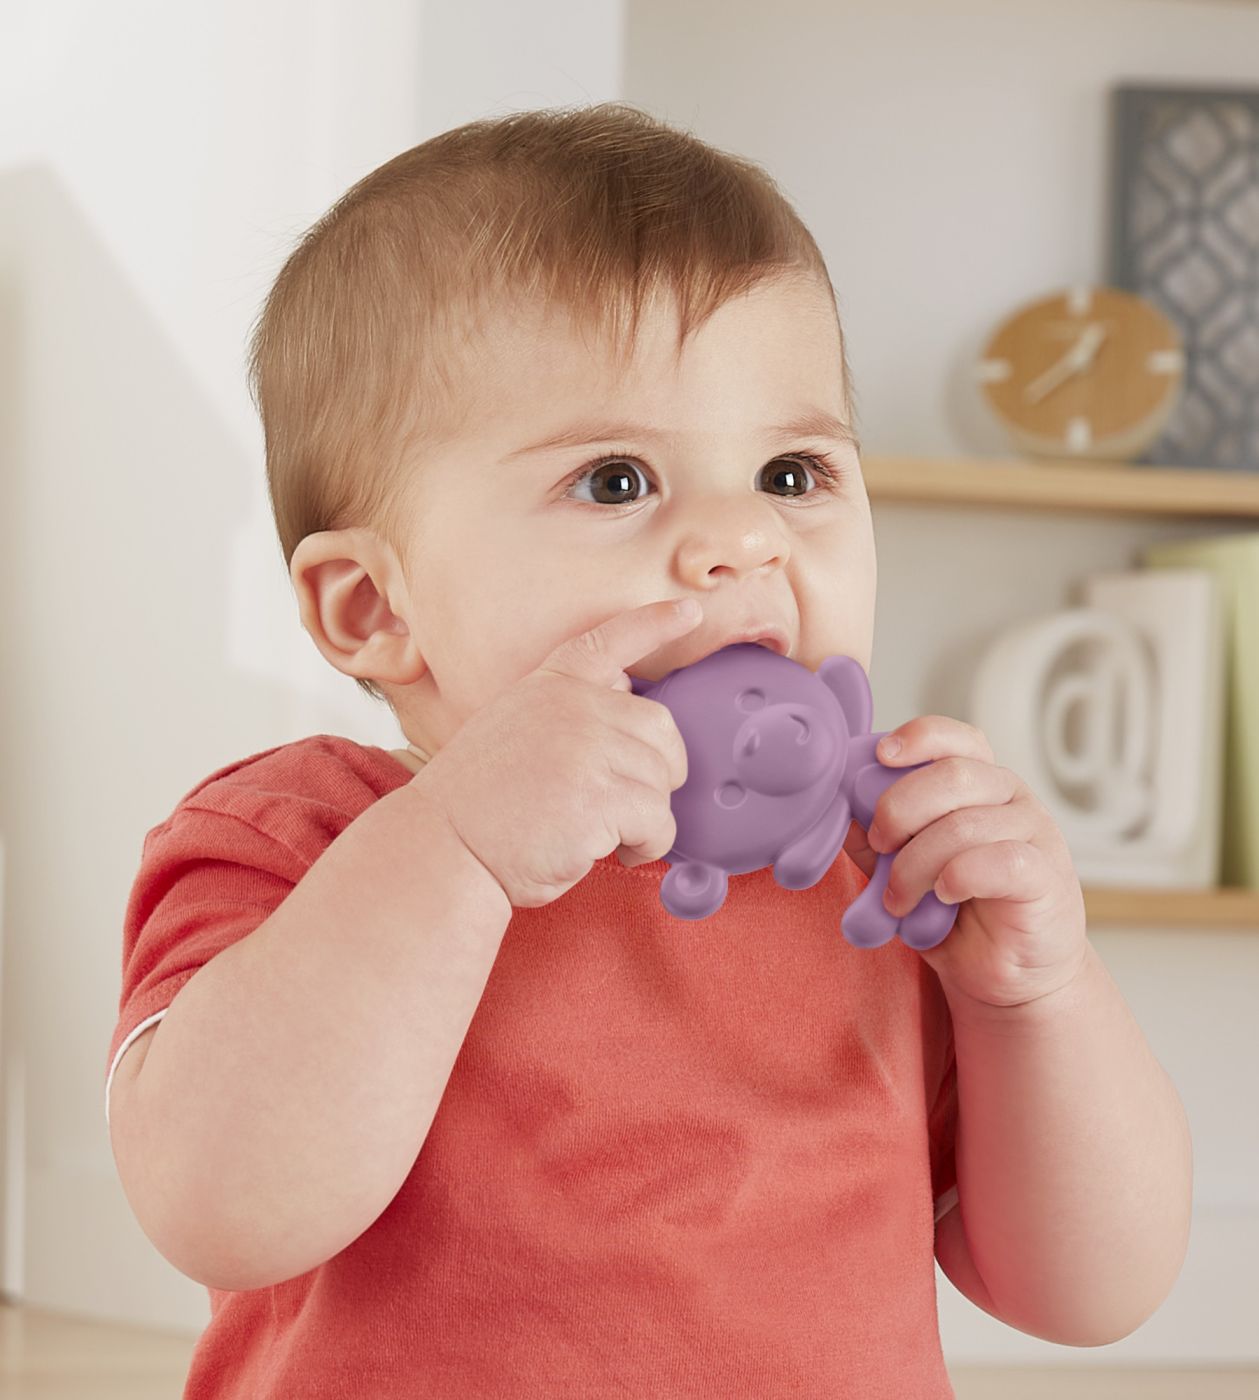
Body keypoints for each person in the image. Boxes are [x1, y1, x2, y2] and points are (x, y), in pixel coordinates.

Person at [104, 101, 1192, 1398]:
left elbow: (1090, 1294)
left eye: (793, 474)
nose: (745, 541)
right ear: (377, 608)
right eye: (616, 481)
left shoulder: (882, 870)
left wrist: (1036, 996)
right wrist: (455, 847)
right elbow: (220, 1206)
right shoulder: (300, 836)